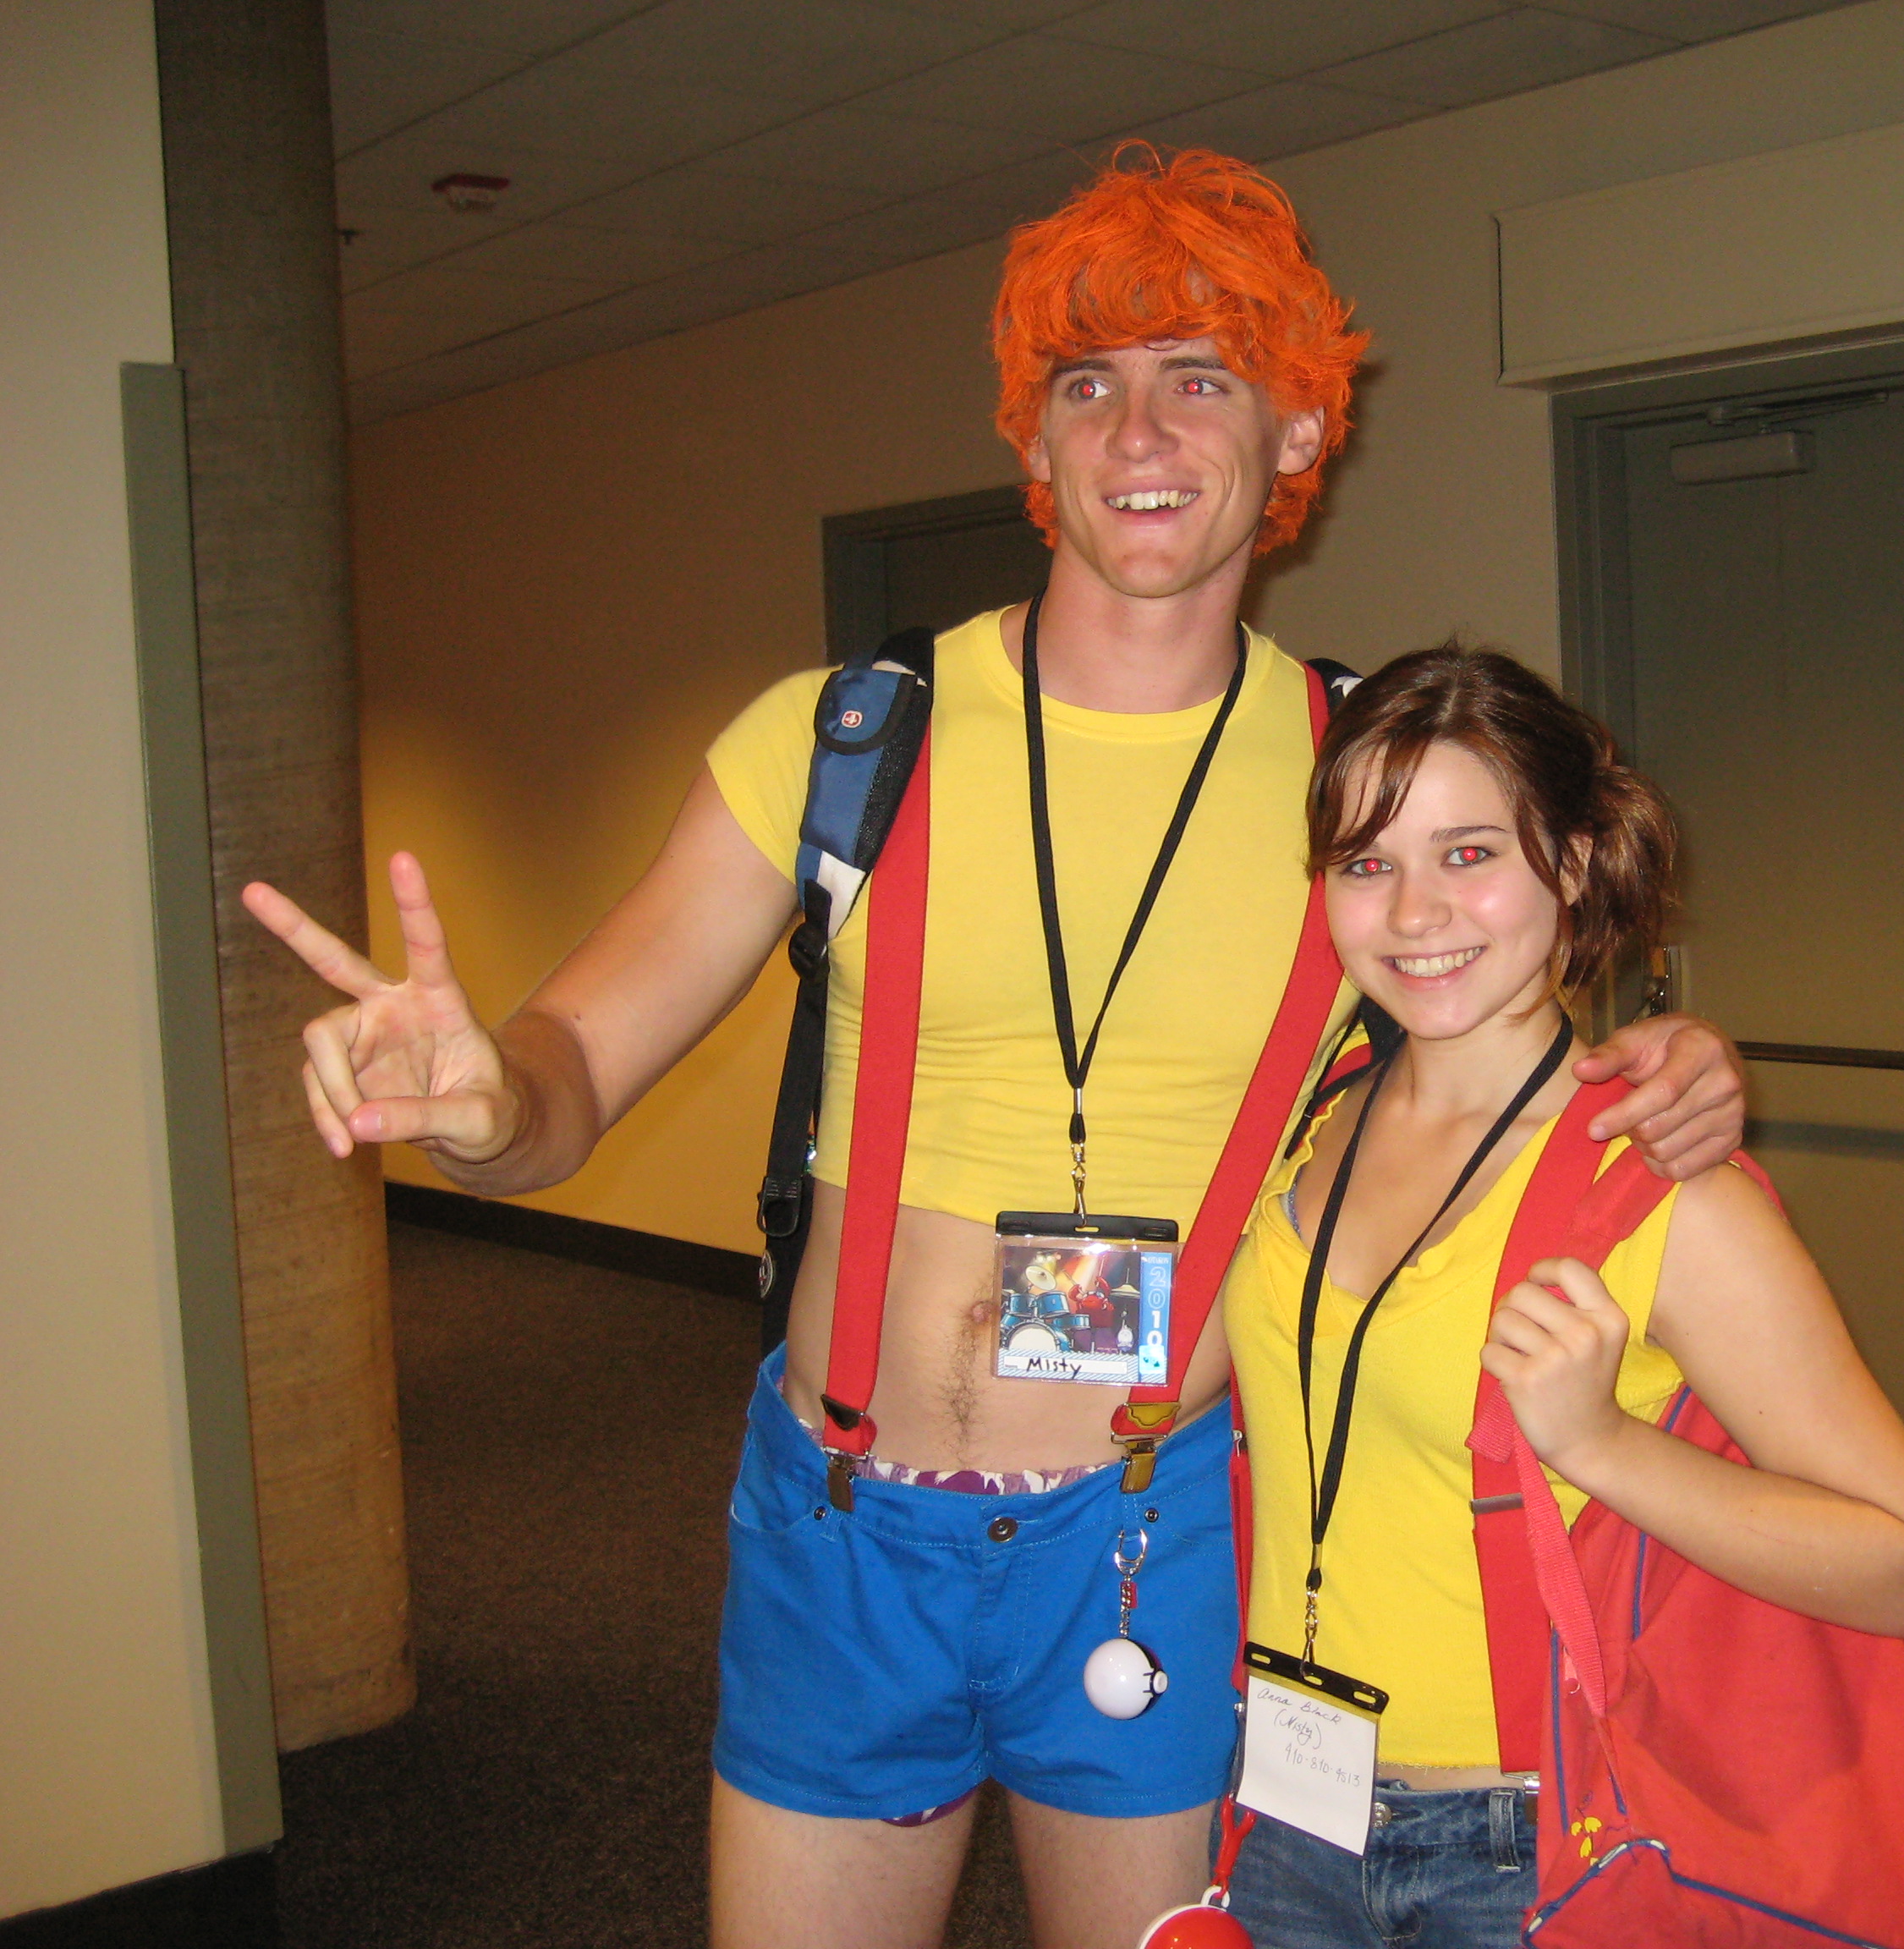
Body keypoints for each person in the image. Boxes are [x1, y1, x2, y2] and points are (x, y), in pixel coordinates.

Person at [241, 151, 1749, 1949]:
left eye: (1203, 379)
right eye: (1088, 385)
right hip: (841, 1526)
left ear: (1295, 435)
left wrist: (1665, 1064)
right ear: (1033, 440)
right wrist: (484, 1109)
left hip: (1158, 1530)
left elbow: (1497, 1024)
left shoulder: (1362, 783)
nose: (1141, 431)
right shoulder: (843, 739)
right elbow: (564, 1068)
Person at [1221, 645, 1904, 1949]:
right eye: (1367, 864)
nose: (1413, 912)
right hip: (1285, 1804)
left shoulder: (1663, 1188)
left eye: (1469, 854)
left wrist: (1601, 1442)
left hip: (1523, 1845)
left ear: (1570, 861)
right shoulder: (1311, 1117)